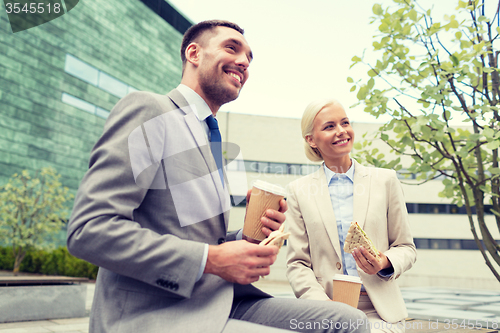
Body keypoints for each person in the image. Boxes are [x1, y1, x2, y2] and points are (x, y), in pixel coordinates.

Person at [67, 21, 370, 333]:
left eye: (250, 58)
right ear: (194, 53)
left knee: (349, 321)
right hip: (158, 312)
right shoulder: (150, 109)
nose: (244, 62)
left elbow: (201, 239)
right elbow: (89, 230)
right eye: (232, 48)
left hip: (221, 300)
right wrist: (211, 259)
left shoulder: (210, 137)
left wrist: (246, 239)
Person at [286, 98, 417, 332]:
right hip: (325, 309)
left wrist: (384, 262)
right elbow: (297, 263)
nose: (341, 131)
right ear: (311, 139)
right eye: (329, 126)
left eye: (345, 122)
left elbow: (406, 247)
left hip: (379, 312)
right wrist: (323, 307)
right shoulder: (298, 191)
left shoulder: (385, 180)